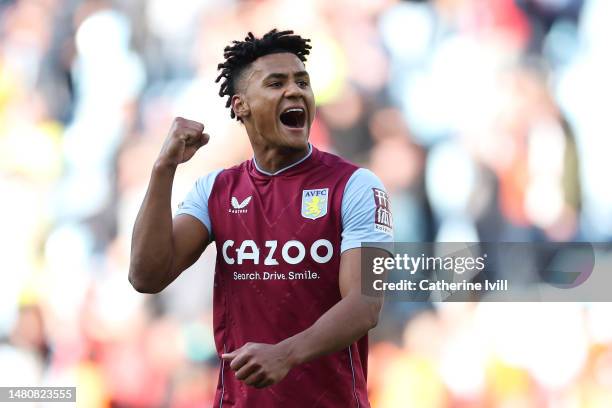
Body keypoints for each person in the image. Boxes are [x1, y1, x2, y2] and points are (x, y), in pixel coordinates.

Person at [129, 29, 393, 407]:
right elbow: (146, 276)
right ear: (241, 106)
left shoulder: (355, 185)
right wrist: (163, 168)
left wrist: (285, 354)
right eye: (276, 82)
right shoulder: (215, 190)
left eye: (303, 82)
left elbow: (366, 303)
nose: (295, 91)